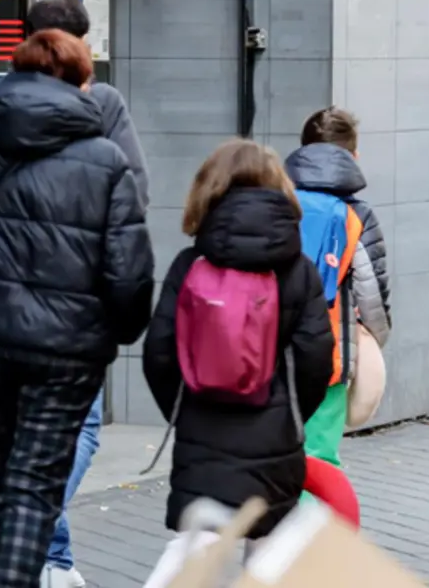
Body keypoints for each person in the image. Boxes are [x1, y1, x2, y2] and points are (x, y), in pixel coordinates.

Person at [0, 29, 154, 588]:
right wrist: (120, 331)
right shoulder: (107, 161)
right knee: (32, 480)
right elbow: (129, 272)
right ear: (82, 82)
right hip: (67, 352)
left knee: (9, 476)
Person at [141, 139, 334, 578]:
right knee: (267, 550)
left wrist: (186, 403)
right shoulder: (298, 270)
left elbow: (158, 352)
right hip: (274, 435)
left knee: (199, 540)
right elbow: (316, 355)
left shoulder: (190, 264)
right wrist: (292, 410)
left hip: (202, 430)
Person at [24, 0, 151, 588]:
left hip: (5, 300)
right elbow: (134, 199)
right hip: (75, 302)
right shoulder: (100, 105)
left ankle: (52, 560)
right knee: (81, 428)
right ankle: (43, 542)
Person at [284, 107, 391, 471]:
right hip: (328, 357)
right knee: (319, 462)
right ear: (353, 157)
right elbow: (371, 295)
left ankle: (271, 524)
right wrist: (375, 341)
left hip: (269, 354)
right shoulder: (355, 215)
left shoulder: (275, 205)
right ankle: (311, 525)